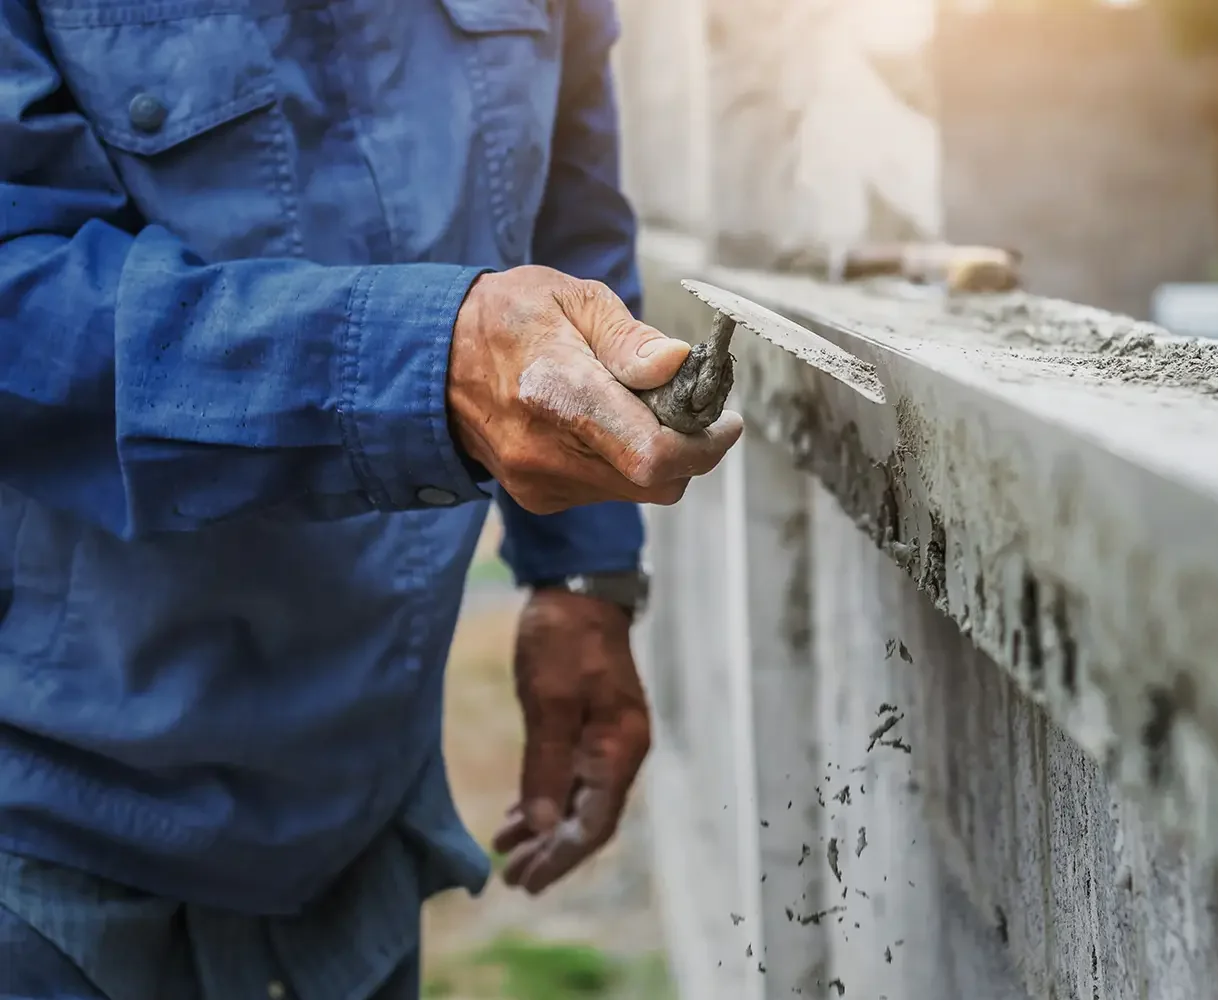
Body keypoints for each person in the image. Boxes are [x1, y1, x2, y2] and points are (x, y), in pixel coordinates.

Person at [0, 0, 741, 994]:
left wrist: (584, 578)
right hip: (54, 826)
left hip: (361, 825)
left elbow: (574, 219)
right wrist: (430, 361)